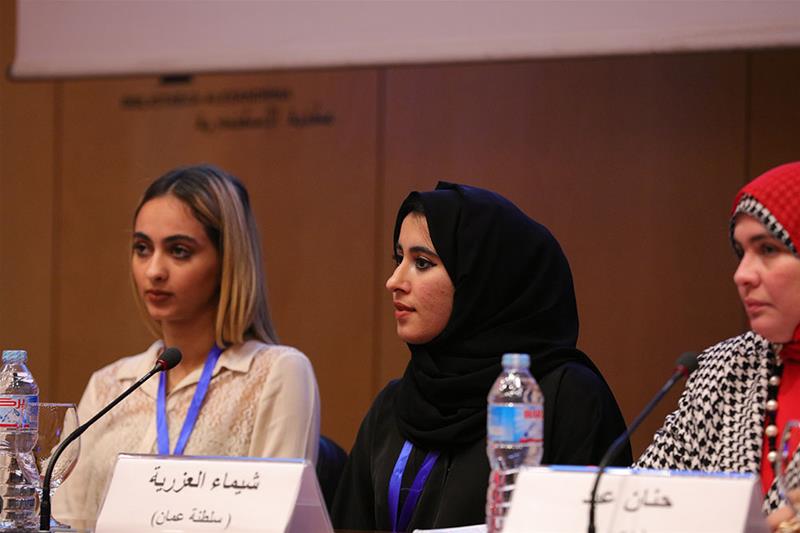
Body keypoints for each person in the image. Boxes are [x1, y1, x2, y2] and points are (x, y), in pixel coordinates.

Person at [332, 181, 630, 531]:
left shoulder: (567, 397)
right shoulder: (393, 407)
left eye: (422, 263)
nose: (394, 280)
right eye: (399, 259)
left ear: (482, 280)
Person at [54, 164, 320, 524]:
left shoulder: (277, 373)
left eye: (179, 251)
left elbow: (276, 523)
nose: (154, 271)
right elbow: (65, 520)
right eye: (142, 248)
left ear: (227, 261)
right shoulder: (108, 386)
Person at [637, 162, 800, 529]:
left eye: (768, 249)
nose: (742, 275)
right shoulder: (726, 366)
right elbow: (644, 497)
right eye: (741, 253)